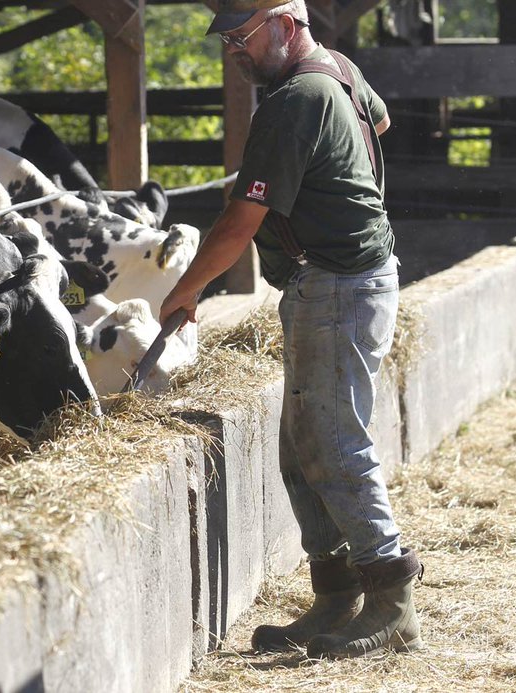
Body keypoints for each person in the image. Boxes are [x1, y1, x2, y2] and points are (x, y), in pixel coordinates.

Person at [158, 0, 423, 659]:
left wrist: (185, 290)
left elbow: (238, 226)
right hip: (343, 280)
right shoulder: (336, 73)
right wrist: (326, 174)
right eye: (228, 39)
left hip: (337, 283)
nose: (232, 50)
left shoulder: (294, 100)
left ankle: (392, 597)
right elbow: (378, 121)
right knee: (302, 444)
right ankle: (338, 594)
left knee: (333, 443)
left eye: (240, 36)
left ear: (285, 23)